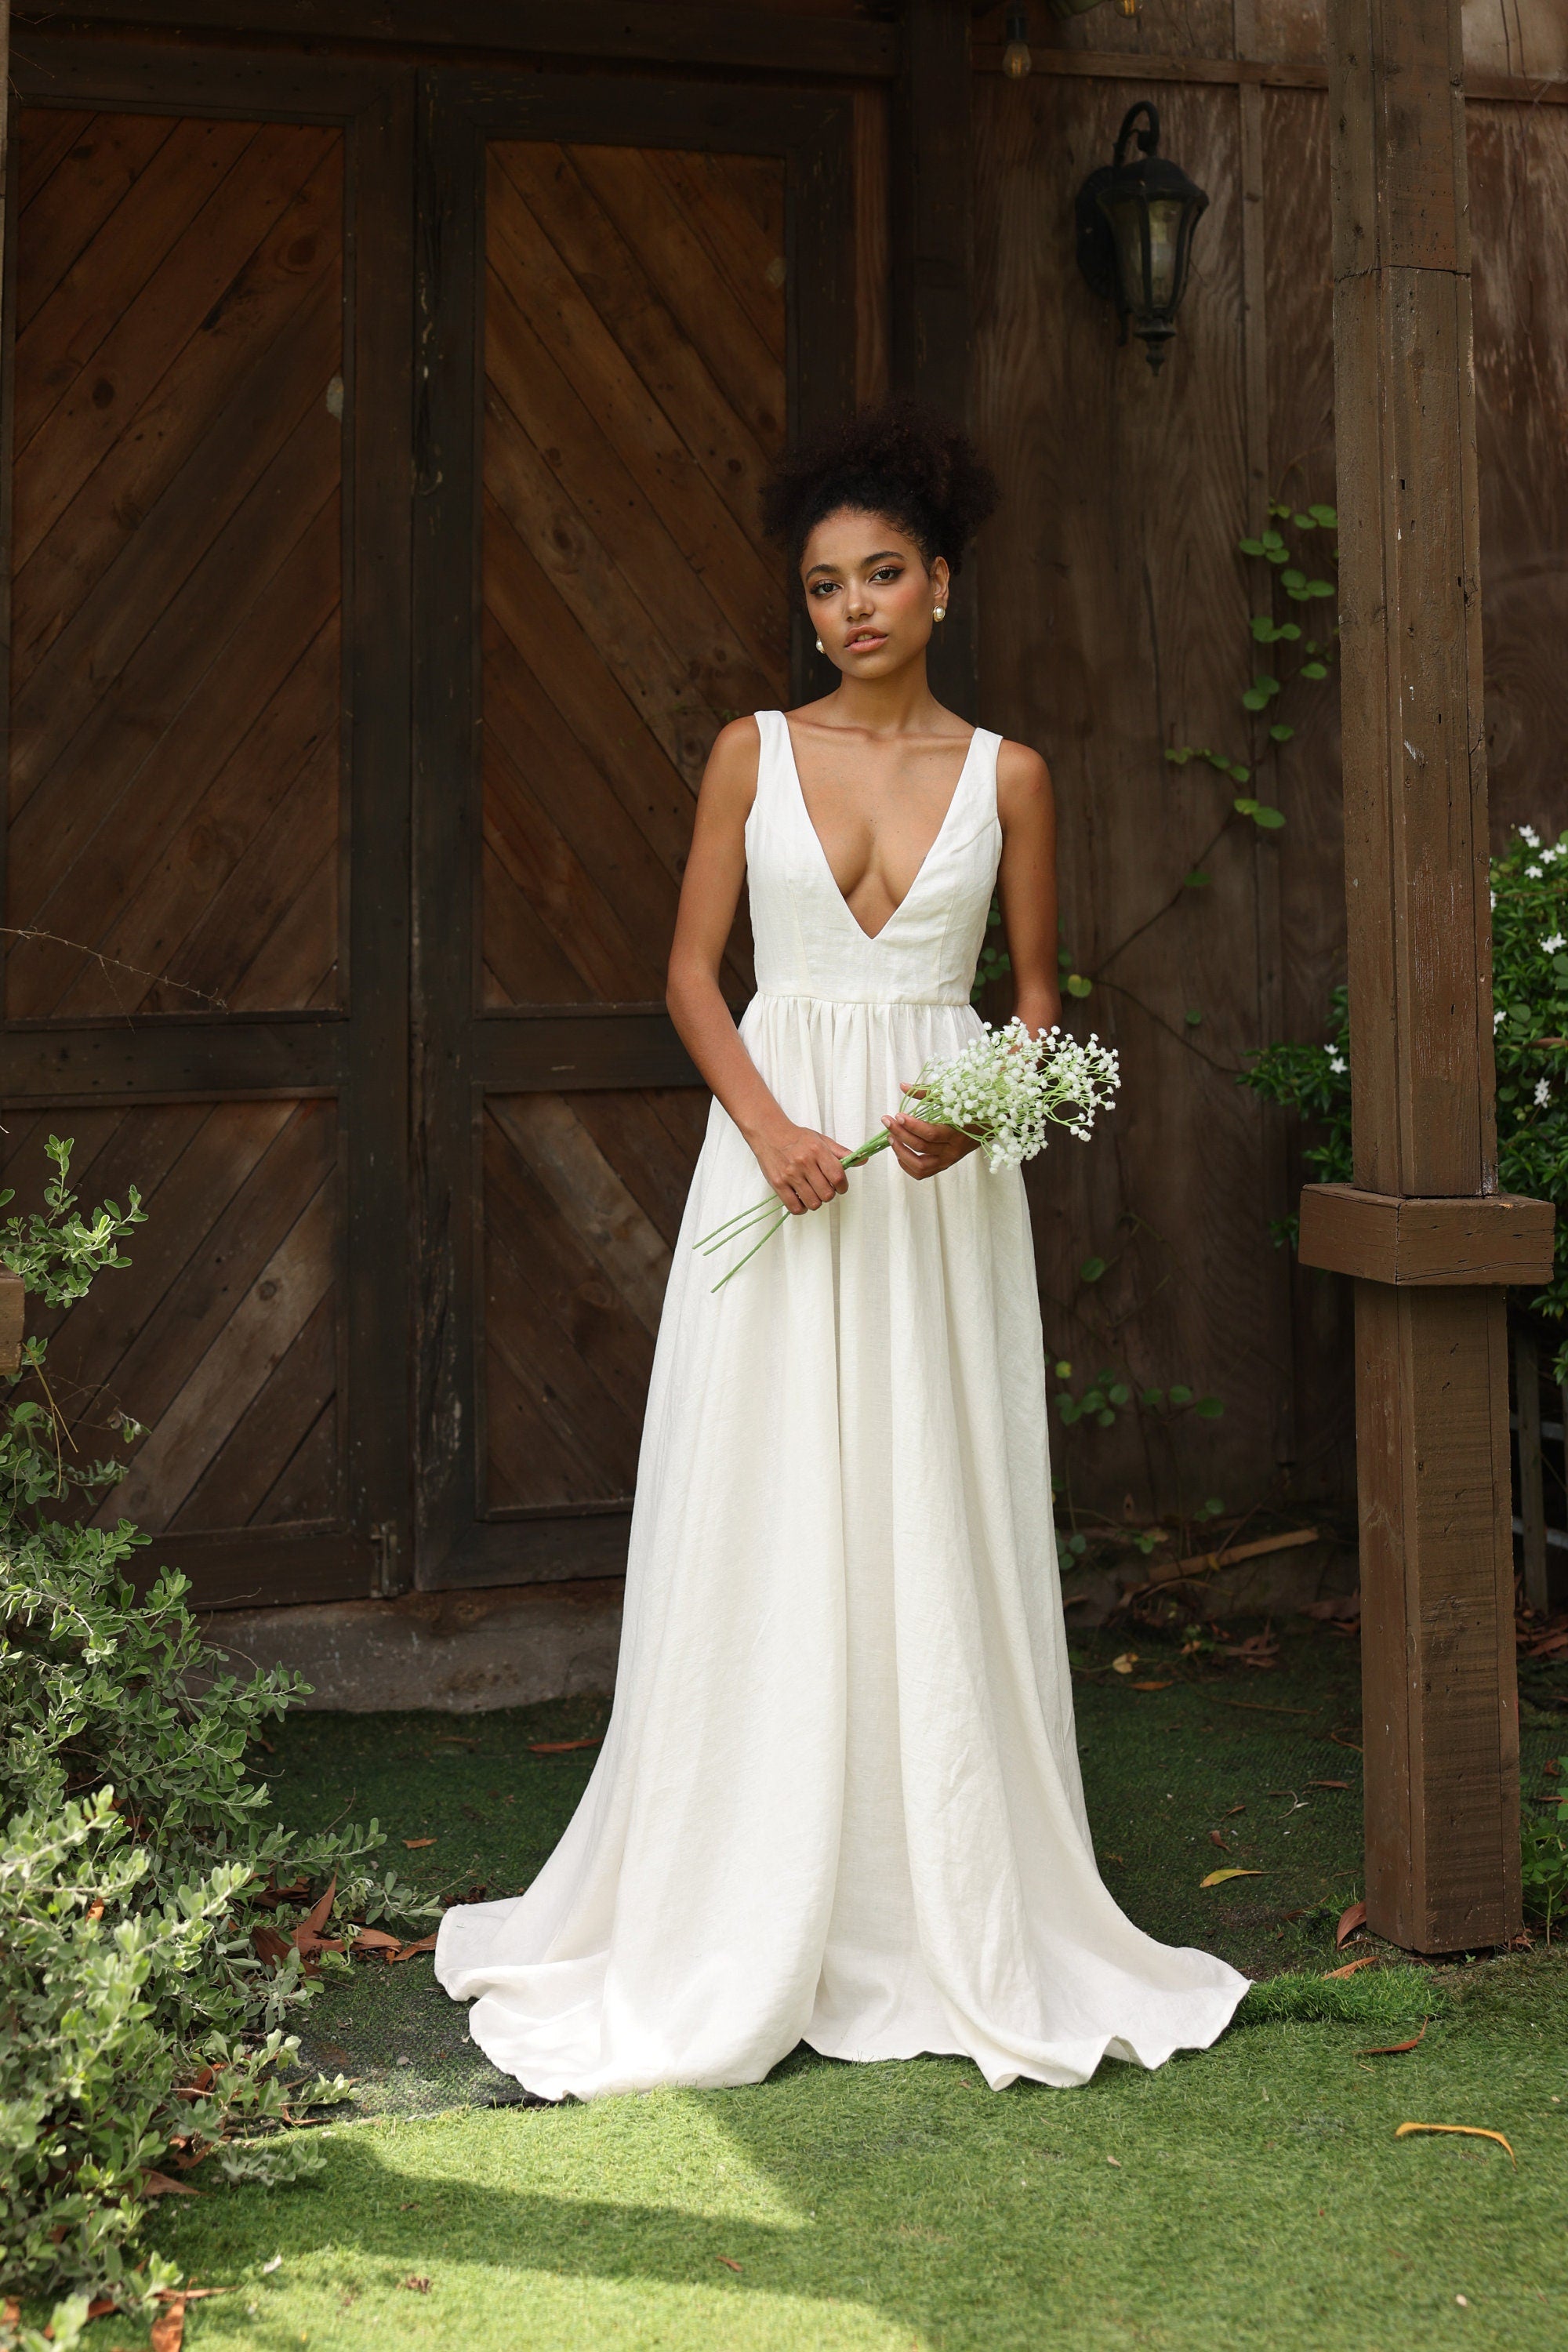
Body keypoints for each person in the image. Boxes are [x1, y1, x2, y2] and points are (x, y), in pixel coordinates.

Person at [435, 401, 1248, 2097]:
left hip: (937, 1199)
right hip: (778, 1169)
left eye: (881, 575)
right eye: (822, 585)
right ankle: (734, 1886)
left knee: (926, 1500)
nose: (851, 608)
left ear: (941, 584)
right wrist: (771, 1129)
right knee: (767, 1500)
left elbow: (1034, 1006)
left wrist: (979, 1111)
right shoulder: (750, 750)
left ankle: (933, 1884)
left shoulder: (1011, 777)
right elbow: (689, 976)